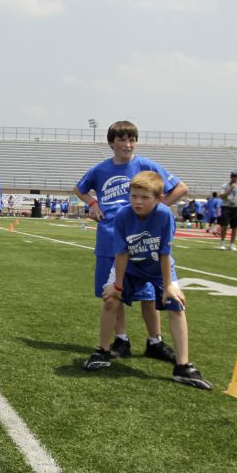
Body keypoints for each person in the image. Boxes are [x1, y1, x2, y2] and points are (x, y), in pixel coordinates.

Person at [83, 172, 212, 390]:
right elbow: (122, 255)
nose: (138, 202)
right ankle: (103, 351)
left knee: (176, 305)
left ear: (159, 198)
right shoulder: (123, 215)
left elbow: (164, 253)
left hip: (158, 267)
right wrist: (117, 286)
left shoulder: (164, 216)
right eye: (134, 196)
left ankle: (183, 366)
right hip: (131, 267)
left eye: (144, 198)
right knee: (110, 300)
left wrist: (168, 285)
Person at [74, 122, 188, 361]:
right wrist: (93, 204)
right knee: (115, 292)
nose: (127, 144)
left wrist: (157, 210)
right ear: (111, 143)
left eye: (131, 139)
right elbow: (79, 189)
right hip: (109, 237)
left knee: (148, 293)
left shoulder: (145, 165)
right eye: (122, 140)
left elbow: (180, 188)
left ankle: (154, 340)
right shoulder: (101, 169)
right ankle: (121, 339)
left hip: (144, 242)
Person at [215, 172, 237, 250]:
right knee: (225, 226)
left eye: (235, 177)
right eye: (233, 176)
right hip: (226, 207)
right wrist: (230, 189)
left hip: (236, 207)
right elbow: (221, 196)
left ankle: (232, 244)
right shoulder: (225, 186)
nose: (234, 178)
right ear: (230, 177)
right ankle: (222, 243)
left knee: (235, 227)